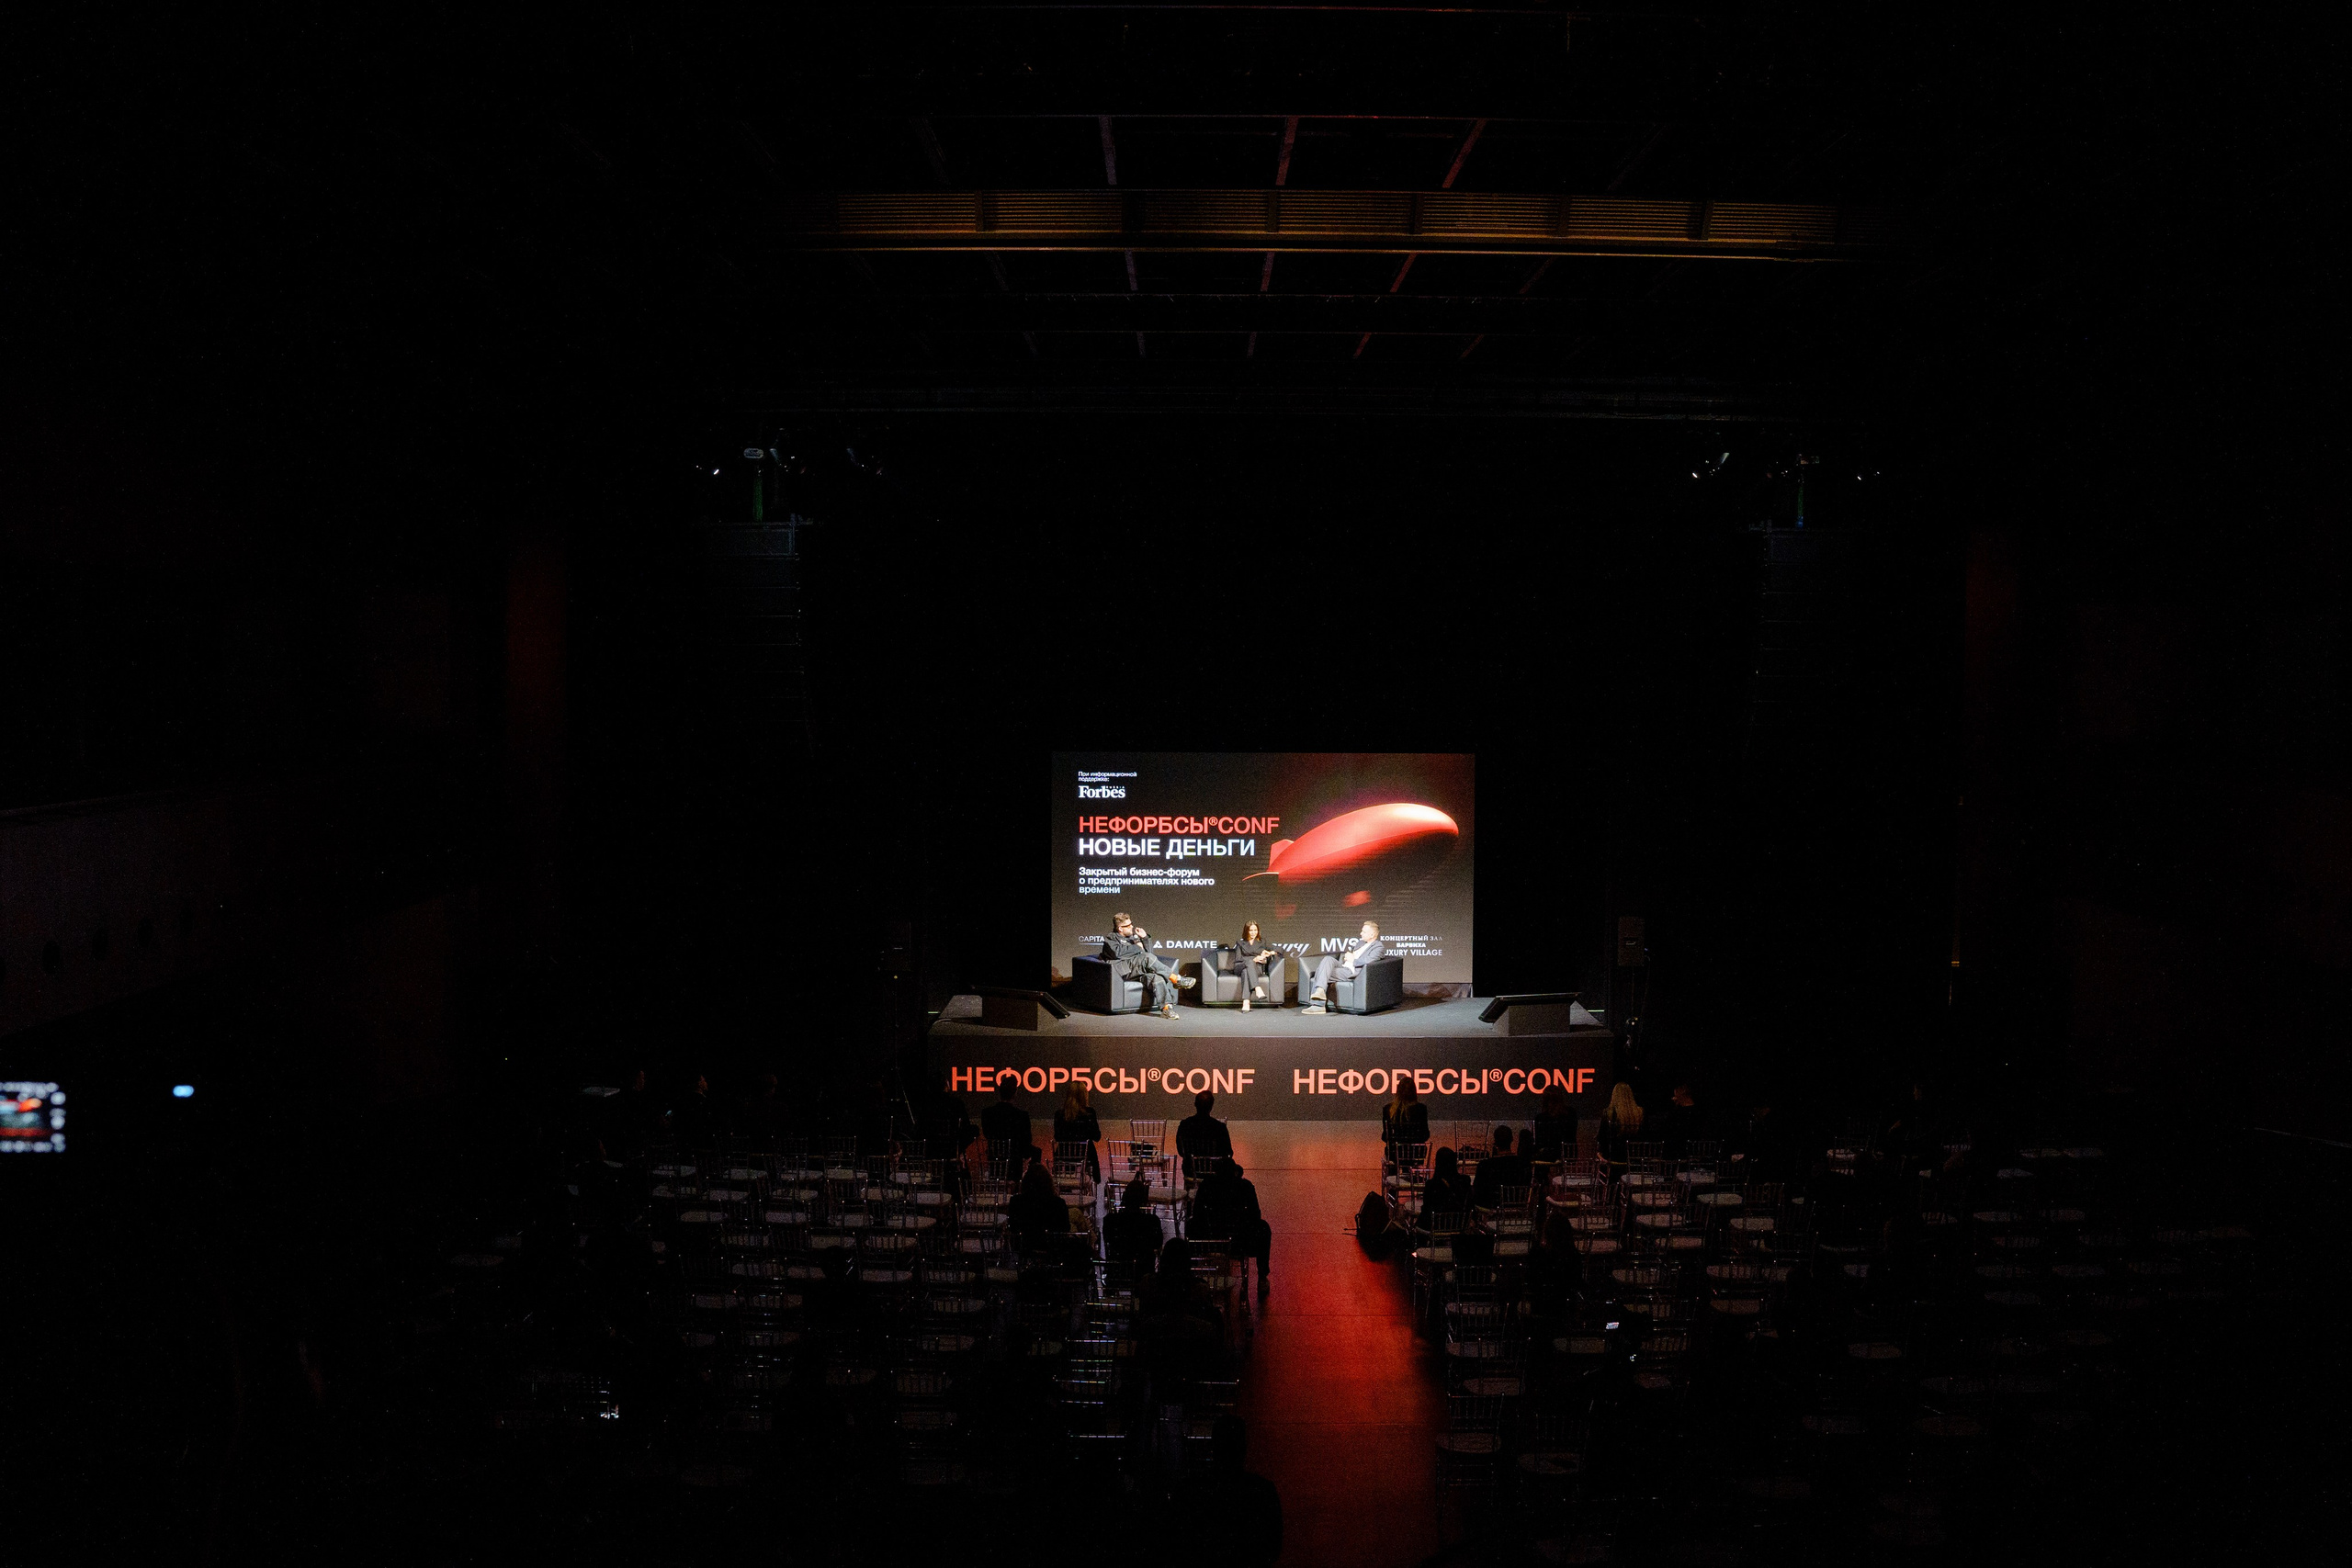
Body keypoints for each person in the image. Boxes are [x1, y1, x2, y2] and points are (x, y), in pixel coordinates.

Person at [1175, 1415, 1283, 1567]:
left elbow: (1180, 1544)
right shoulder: (1261, 1491)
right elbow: (1273, 1547)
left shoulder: (1191, 1490)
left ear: (1213, 1446)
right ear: (1243, 1447)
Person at [1190, 1156, 1272, 1292]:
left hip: (1210, 1241)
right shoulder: (1245, 1187)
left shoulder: (1206, 1186)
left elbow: (1197, 1214)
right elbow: (1255, 1216)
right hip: (1239, 1243)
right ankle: (1262, 1276)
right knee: (1264, 1228)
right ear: (1235, 1172)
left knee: (1191, 1225)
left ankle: (1192, 1270)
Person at [1100, 910, 1196, 1020]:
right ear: (1120, 928)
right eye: (1128, 925)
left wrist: (1145, 938)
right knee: (1146, 958)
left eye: (1131, 923)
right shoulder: (1111, 938)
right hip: (1123, 971)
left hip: (1139, 970)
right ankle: (1176, 979)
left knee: (1157, 977)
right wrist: (1138, 947)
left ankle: (1166, 1009)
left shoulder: (1133, 938)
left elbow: (1150, 955)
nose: (1132, 926)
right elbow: (1118, 954)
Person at [1303, 919, 1385, 1014]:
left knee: (1320, 971)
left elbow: (1369, 961)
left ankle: (1318, 1005)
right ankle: (1320, 991)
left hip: (1353, 971)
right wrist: (1347, 958)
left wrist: (1353, 960)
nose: (1360, 933)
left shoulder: (1379, 947)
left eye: (1364, 932)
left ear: (1372, 935)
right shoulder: (1361, 943)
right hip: (1344, 966)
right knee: (1327, 959)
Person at [1007, 1160, 1072, 1258]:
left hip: (1023, 1245)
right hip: (1052, 1245)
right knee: (1076, 1217)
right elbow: (1066, 1228)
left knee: (1075, 1213)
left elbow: (1012, 1226)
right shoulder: (1058, 1203)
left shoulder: (1015, 1201)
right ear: (1048, 1182)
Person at [1104, 1177, 1165, 1270]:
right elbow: (1157, 1244)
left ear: (1124, 1196)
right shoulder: (1152, 1221)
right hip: (1143, 1271)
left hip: (1118, 1271)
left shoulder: (1110, 1220)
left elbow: (1107, 1240)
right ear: (1144, 1199)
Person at [1177, 1089, 1234, 1180]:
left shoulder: (1184, 1125)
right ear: (1211, 1106)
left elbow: (1181, 1151)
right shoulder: (1220, 1127)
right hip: (1215, 1172)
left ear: (1195, 1104)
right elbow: (1228, 1153)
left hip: (1190, 1170)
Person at [980, 1081, 1037, 1171]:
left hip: (995, 1157)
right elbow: (1027, 1139)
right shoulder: (1021, 1115)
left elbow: (987, 1134)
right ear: (1015, 1094)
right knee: (1036, 1152)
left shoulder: (987, 1113)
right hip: (1015, 1158)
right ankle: (1030, 1182)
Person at [1470, 1124, 1530, 1208]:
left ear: (1495, 1142)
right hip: (1518, 1208)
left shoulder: (1485, 1165)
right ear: (1512, 1139)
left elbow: (1478, 1191)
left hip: (1492, 1209)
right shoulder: (1523, 1164)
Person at [1054, 1081, 1103, 1181]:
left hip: (1065, 1155)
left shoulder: (1059, 1114)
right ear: (1084, 1095)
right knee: (1089, 1146)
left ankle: (1066, 1181)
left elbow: (1057, 1137)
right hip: (1085, 1155)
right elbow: (1097, 1137)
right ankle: (1094, 1179)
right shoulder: (1089, 1113)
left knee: (1067, 1149)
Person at [1233, 920, 1281, 1012]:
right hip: (1240, 966)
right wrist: (1254, 959)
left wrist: (1269, 953)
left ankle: (1246, 1002)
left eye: (1255, 930)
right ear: (1246, 931)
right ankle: (1257, 988)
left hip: (1256, 969)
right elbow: (1238, 959)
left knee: (1246, 972)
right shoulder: (1240, 943)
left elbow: (1279, 949)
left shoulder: (1262, 942)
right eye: (1251, 930)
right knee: (1250, 963)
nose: (1253, 932)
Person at [1599, 1080, 1645, 1165]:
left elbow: (1602, 1138)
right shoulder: (1640, 1113)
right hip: (1636, 1159)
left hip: (1613, 1159)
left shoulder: (1608, 1113)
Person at [1531, 1081, 1578, 1162]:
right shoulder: (1571, 1113)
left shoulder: (1541, 1118)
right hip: (1570, 1153)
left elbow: (1539, 1142)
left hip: (1549, 1154)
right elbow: (1572, 1135)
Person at [1421, 1145, 1473, 1218]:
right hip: (1459, 1223)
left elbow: (1426, 1209)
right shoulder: (1465, 1180)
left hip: (1436, 1224)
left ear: (1437, 1163)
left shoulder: (1431, 1184)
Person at [1382, 1076, 1430, 1150]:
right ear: (1414, 1091)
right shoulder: (1421, 1109)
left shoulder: (1388, 1109)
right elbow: (1425, 1135)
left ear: (1398, 1091)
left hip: (1395, 1152)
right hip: (1416, 1152)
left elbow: (1385, 1136)